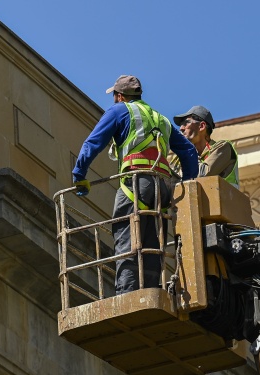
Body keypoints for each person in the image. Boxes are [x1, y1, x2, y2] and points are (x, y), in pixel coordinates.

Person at [72, 75, 199, 294]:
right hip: (163, 187)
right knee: (152, 244)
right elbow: (188, 151)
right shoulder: (160, 118)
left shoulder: (119, 111)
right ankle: (150, 291)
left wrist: (79, 174)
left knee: (127, 238)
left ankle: (127, 293)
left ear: (120, 96)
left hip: (137, 182)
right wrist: (187, 185)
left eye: (114, 96)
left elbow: (93, 142)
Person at [169, 105, 239, 188]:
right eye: (180, 125)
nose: (181, 128)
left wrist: (188, 155)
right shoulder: (178, 160)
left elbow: (202, 175)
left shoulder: (223, 148)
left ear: (201, 126)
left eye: (186, 123)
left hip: (224, 200)